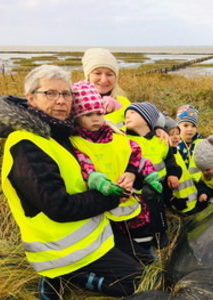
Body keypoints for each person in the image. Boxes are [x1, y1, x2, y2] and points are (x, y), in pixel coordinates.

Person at [0, 65, 143, 299]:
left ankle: (65, 275)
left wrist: (150, 137)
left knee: (143, 258)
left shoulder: (59, 131)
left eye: (66, 94)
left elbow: (105, 138)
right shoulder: (26, 145)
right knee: (135, 280)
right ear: (31, 98)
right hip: (61, 249)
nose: (61, 101)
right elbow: (59, 207)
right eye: (50, 93)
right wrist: (112, 197)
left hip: (94, 234)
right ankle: (68, 277)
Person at [69, 80, 163, 260]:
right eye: (88, 114)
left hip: (131, 198)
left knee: (141, 230)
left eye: (99, 113)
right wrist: (97, 180)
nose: (96, 118)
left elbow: (136, 154)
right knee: (114, 239)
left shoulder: (117, 137)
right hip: (104, 204)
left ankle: (147, 255)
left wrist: (151, 176)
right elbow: (84, 164)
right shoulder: (77, 142)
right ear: (77, 117)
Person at [124, 102, 178, 248]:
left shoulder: (161, 140)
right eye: (126, 115)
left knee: (159, 212)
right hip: (138, 189)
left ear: (147, 119)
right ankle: (142, 241)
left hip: (160, 186)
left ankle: (161, 234)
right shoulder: (124, 140)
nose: (127, 116)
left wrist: (173, 174)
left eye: (133, 113)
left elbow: (169, 160)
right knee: (141, 217)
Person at [82, 48, 129, 128]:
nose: (103, 80)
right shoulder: (74, 103)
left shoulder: (124, 102)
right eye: (97, 73)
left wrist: (156, 128)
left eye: (109, 74)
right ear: (88, 76)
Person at [163, 116, 200, 214]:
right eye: (171, 134)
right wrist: (171, 200)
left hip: (191, 199)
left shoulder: (175, 151)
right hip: (178, 204)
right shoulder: (164, 157)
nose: (176, 137)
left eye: (177, 133)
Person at [176, 104, 203, 182]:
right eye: (185, 125)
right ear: (178, 126)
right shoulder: (174, 144)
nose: (190, 129)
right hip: (180, 183)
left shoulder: (201, 143)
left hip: (199, 182)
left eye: (193, 126)